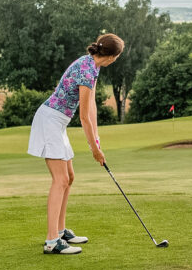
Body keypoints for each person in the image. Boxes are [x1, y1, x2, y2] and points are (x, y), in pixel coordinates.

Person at [27, 33, 124, 254]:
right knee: (60, 180)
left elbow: (92, 108)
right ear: (112, 56)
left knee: (69, 177)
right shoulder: (87, 70)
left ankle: (60, 232)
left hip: (57, 122)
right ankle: (52, 241)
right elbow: (83, 117)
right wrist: (95, 151)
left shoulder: (92, 65)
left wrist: (96, 141)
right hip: (50, 120)